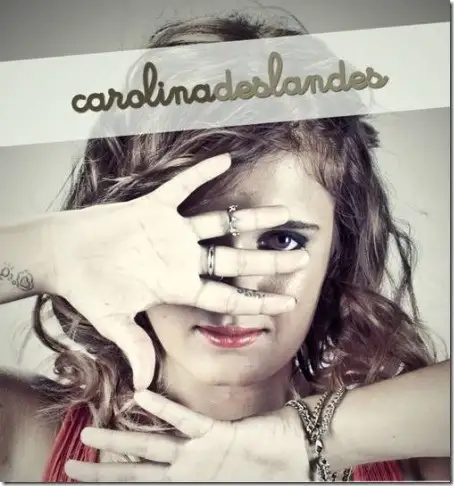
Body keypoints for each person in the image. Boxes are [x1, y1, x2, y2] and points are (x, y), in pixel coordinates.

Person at [0, 12, 450, 482]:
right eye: (194, 234)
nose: (238, 285)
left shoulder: (417, 457)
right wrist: (51, 252)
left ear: (337, 253)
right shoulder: (29, 434)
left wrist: (306, 438)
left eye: (282, 240)